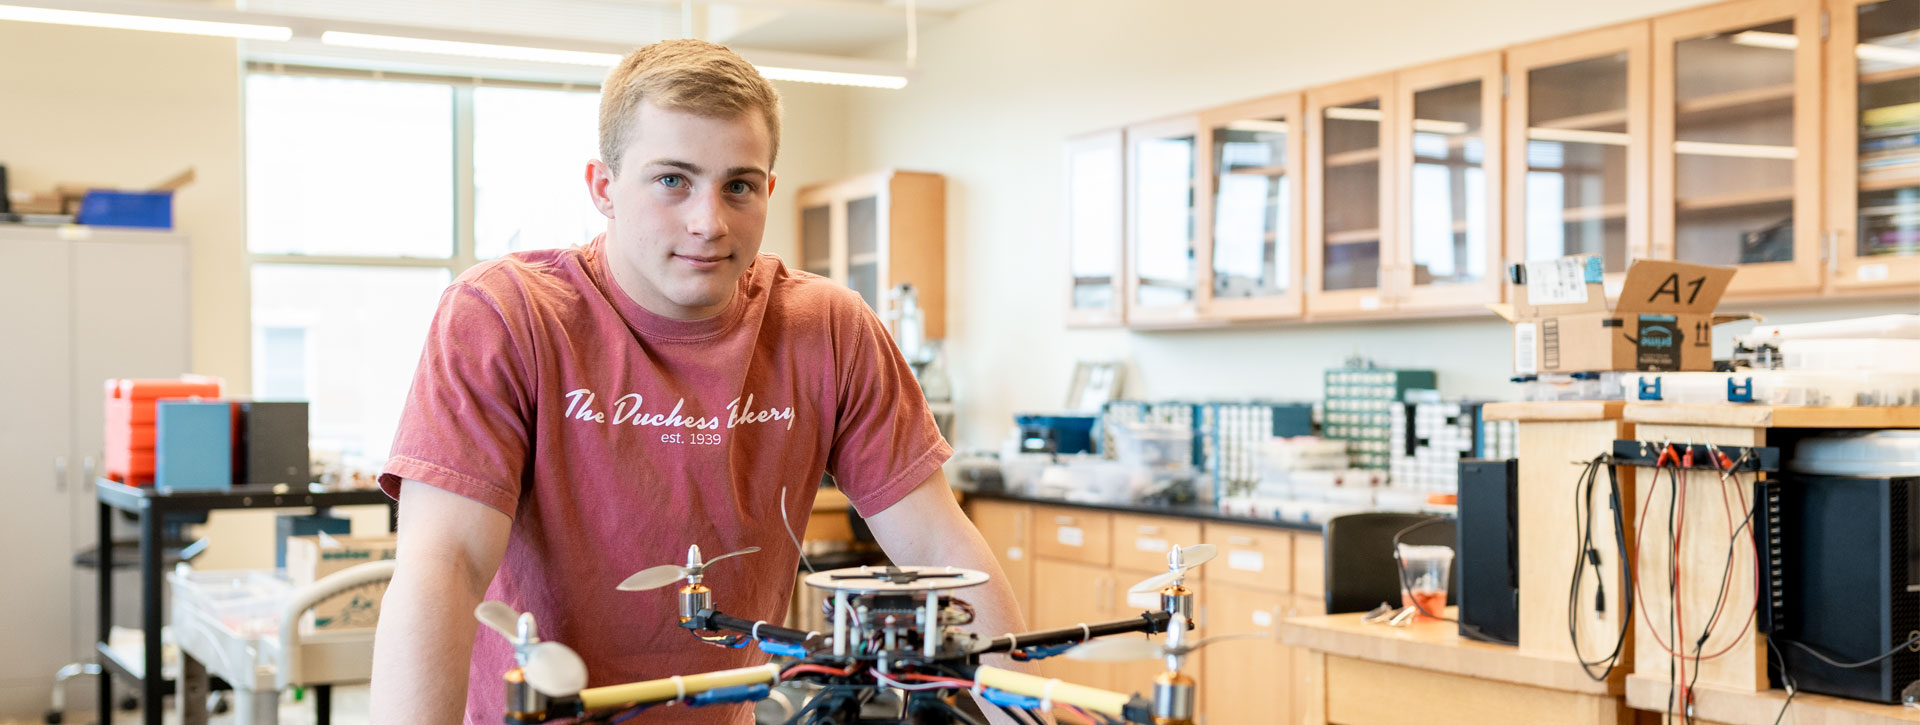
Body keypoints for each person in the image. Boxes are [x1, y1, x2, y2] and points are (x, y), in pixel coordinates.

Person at [369, 39, 1028, 724]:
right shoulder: (505, 315)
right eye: (672, 180)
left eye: (738, 185)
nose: (708, 222)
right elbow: (441, 569)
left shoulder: (827, 328)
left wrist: (1022, 713)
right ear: (603, 187)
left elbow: (941, 553)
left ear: (768, 189)